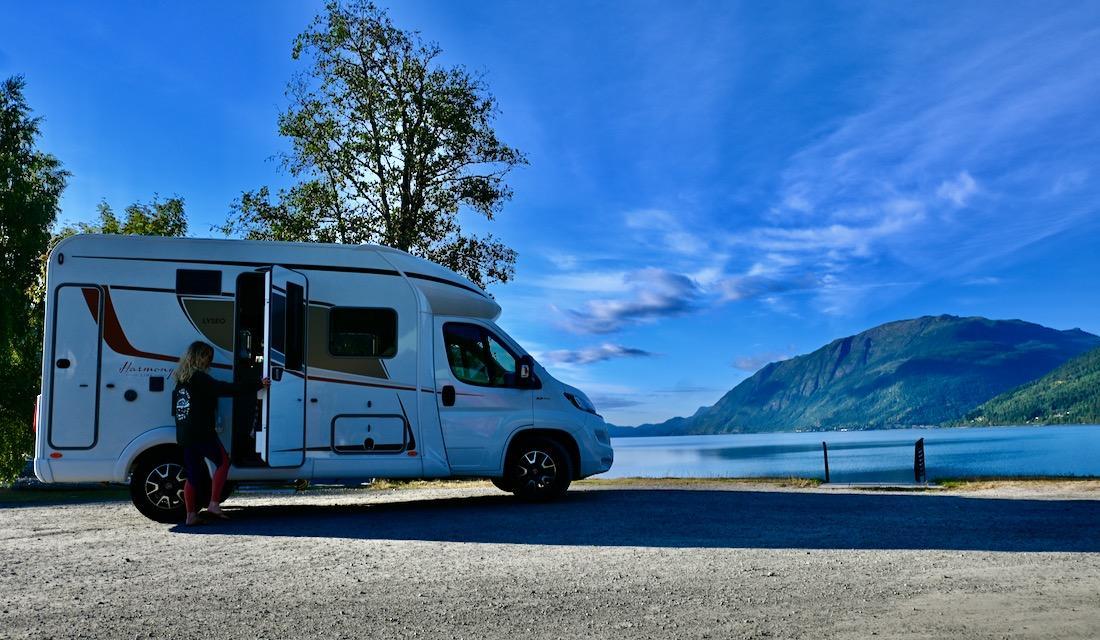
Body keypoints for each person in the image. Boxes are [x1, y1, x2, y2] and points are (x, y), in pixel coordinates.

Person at [171, 341, 268, 526]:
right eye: (207, 357)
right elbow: (226, 389)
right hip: (201, 432)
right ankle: (214, 504)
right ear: (198, 357)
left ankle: (190, 515)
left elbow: (175, 410)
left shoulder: (181, 380)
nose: (210, 361)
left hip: (184, 434)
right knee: (223, 461)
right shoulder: (200, 378)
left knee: (193, 474)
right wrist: (258, 384)